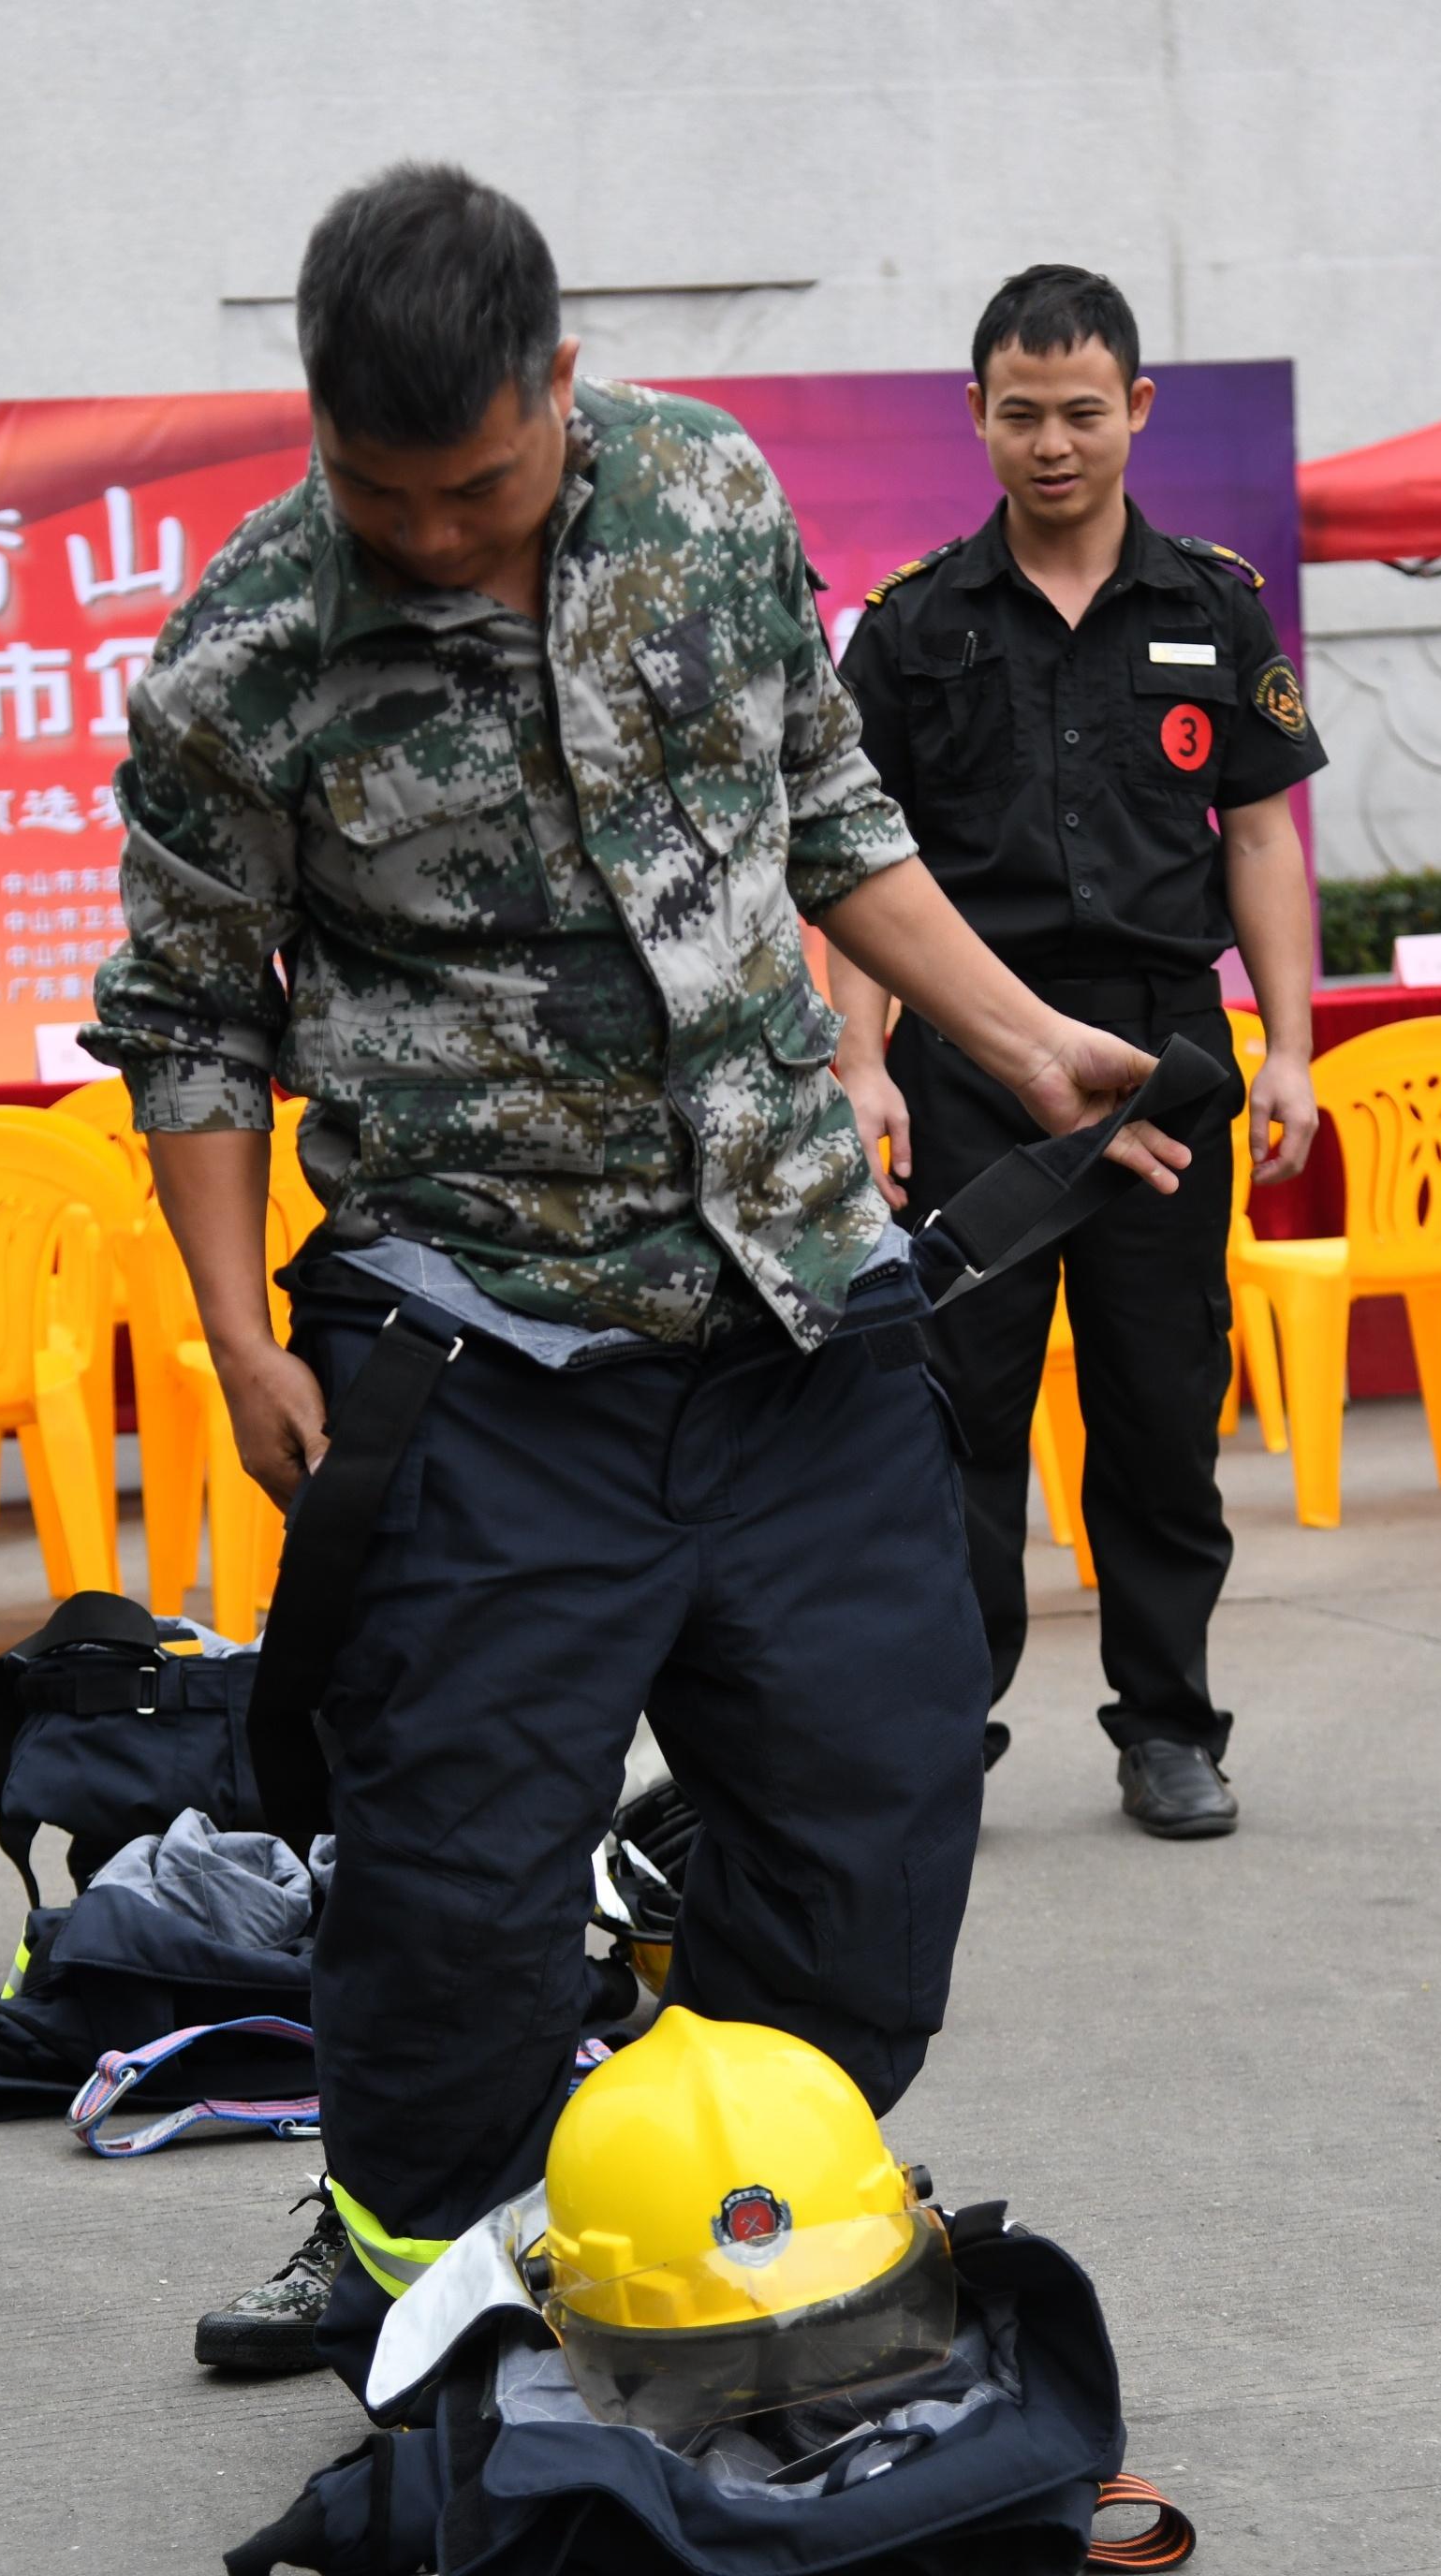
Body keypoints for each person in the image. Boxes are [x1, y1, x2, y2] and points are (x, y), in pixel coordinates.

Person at [89, 166, 1190, 2381]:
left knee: (879, 1832)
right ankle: (416, 2263)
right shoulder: (244, 657)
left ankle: (699, 2213)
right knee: (449, 1890)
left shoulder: (702, 494)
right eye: (379, 488)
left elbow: (827, 807)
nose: (430, 531)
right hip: (477, 1342)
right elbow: (194, 1013)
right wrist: (228, 1329)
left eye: (477, 481)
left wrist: (1016, 1037)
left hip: (798, 1307)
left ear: (562, 387)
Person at [826, 265, 1325, 1840]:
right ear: (976, 414)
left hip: (1166, 1051)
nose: (1055, 445)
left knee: (1159, 1410)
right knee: (954, 1413)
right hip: (975, 1053)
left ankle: (1168, 1727)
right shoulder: (914, 628)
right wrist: (864, 1063)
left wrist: (1293, 1048)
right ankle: (941, 1726)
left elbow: (1261, 835)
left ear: (1137, 414)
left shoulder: (1213, 604)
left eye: (1084, 414)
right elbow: (844, 864)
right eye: (1023, 415)